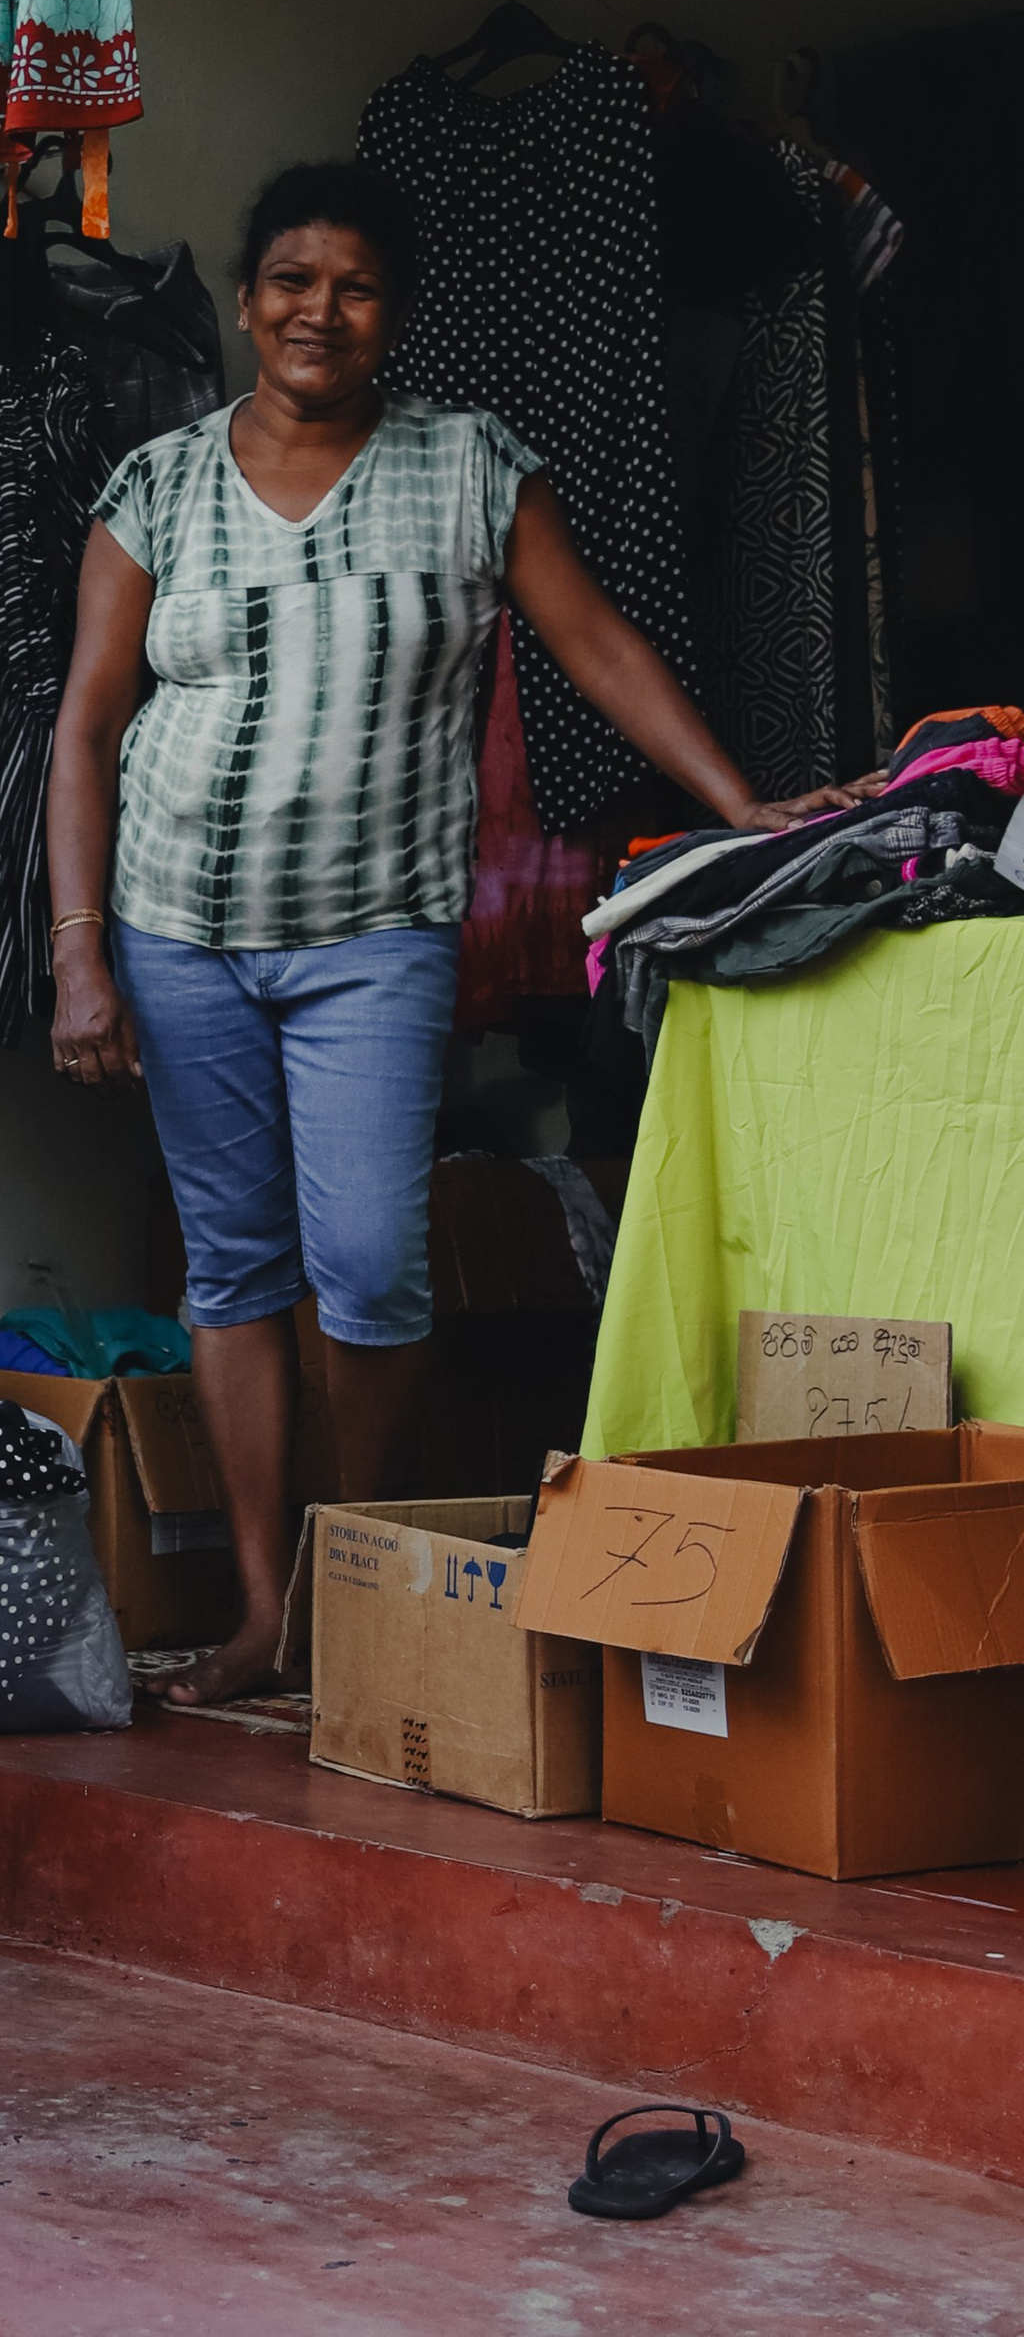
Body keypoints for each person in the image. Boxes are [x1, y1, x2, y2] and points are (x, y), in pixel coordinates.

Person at [46, 158, 875, 1707]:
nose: (320, 311)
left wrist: (740, 802)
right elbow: (86, 726)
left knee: (366, 1261)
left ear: (394, 317)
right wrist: (80, 945)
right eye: (292, 280)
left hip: (376, 930)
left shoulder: (471, 466)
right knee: (232, 1269)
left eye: (355, 287)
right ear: (245, 302)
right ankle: (258, 1610)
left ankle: (356, 1577)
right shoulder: (155, 483)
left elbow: (595, 645)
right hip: (179, 925)